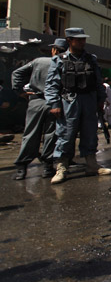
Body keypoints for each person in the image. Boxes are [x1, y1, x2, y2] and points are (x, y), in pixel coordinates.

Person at [44, 28, 111, 184]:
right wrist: (54, 104)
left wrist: (101, 99)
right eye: (78, 39)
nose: (82, 42)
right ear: (69, 40)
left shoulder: (91, 59)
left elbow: (98, 82)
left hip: (89, 100)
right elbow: (51, 84)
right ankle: (61, 168)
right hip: (68, 101)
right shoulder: (59, 60)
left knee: (90, 133)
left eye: (83, 39)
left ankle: (92, 164)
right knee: (65, 135)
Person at [10, 38, 67, 180]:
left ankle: (22, 167)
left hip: (36, 101)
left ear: (54, 49)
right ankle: (47, 167)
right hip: (55, 104)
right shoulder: (66, 64)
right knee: (51, 135)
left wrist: (20, 92)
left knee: (30, 134)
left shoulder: (39, 61)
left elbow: (16, 73)